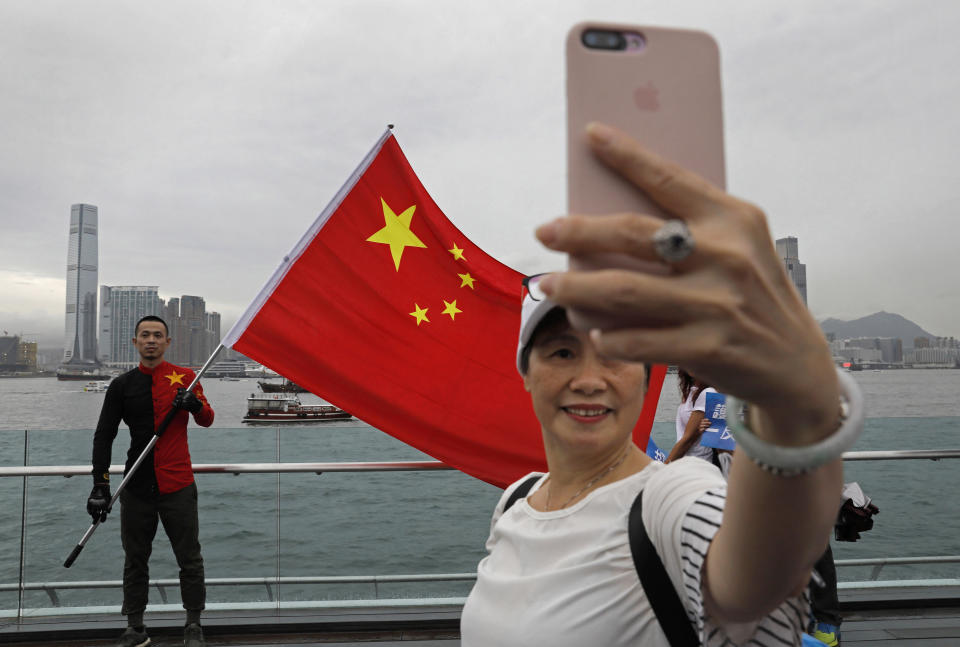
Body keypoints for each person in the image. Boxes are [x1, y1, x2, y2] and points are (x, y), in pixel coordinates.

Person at [460, 123, 860, 646]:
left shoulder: (671, 495)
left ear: (645, 377)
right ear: (526, 373)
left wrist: (791, 401)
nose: (589, 379)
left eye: (618, 353)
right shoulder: (517, 499)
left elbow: (754, 586)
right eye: (561, 352)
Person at [88, 315, 214, 647]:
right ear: (135, 342)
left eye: (158, 335)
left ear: (167, 342)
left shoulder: (186, 378)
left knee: (189, 558)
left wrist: (194, 403)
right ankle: (135, 628)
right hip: (137, 486)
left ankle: (193, 625)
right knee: (135, 559)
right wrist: (100, 486)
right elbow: (104, 436)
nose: (151, 340)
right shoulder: (122, 385)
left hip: (178, 484)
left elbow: (207, 419)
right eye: (145, 335)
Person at [667, 369, 717, 464]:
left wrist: (665, 467)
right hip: (685, 460)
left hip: (697, 463)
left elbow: (688, 439)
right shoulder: (692, 391)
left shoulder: (707, 392)